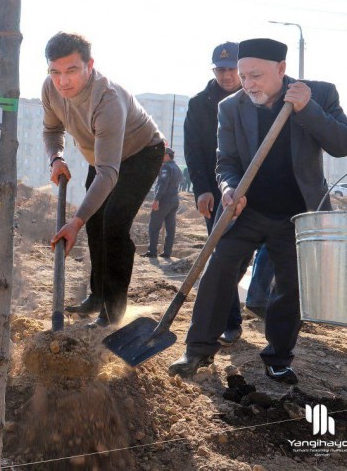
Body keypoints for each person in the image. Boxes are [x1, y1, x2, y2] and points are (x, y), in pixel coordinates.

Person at [169, 38, 347, 384]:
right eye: (243, 75)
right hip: (247, 211)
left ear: (281, 69)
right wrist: (228, 188)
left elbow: (341, 145)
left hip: (298, 215)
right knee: (218, 270)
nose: (248, 84)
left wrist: (307, 109)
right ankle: (197, 350)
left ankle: (278, 357)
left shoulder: (319, 94)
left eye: (256, 76)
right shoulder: (231, 107)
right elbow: (227, 162)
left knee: (291, 288)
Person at [42, 32, 165, 328]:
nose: (63, 81)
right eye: (55, 72)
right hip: (100, 156)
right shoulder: (50, 89)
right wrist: (56, 158)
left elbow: (109, 174)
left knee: (113, 224)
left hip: (141, 153)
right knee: (95, 224)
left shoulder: (107, 100)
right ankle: (97, 296)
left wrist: (74, 221)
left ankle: (113, 310)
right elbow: (51, 131)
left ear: (89, 65)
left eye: (72, 71)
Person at [184, 41, 270, 346]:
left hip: (256, 194)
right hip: (219, 194)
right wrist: (202, 190)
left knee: (240, 259)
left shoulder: (258, 99)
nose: (226, 75)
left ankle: (224, 302)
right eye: (220, 69)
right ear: (214, 70)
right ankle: (230, 322)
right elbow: (193, 151)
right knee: (223, 256)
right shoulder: (200, 105)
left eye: (232, 68)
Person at [142, 147, 181, 258]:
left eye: (161, 155)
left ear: (167, 155)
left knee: (154, 226)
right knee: (170, 227)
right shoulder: (177, 168)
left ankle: (152, 251)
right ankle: (167, 252)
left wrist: (156, 200)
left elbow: (162, 185)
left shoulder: (166, 168)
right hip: (174, 200)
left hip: (164, 200)